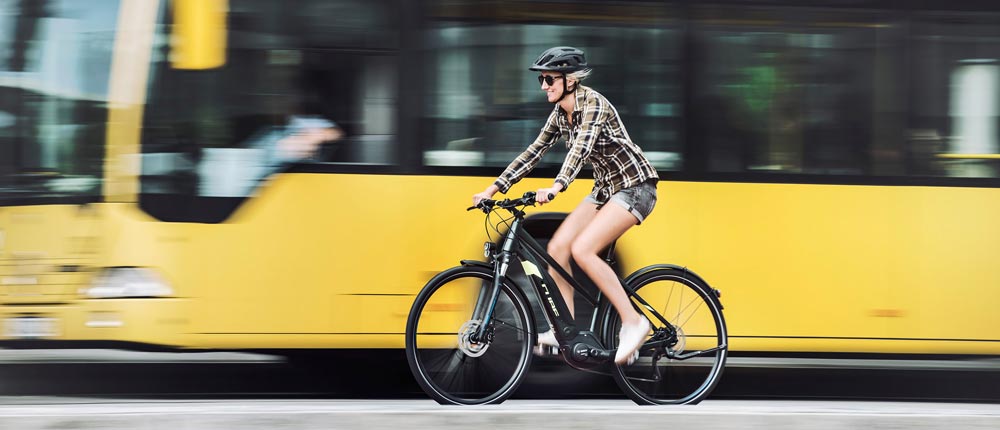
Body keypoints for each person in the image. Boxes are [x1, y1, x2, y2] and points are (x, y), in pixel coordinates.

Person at [472, 46, 659, 365]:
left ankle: (633, 321)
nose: (543, 85)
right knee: (558, 248)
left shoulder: (593, 105)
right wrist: (493, 188)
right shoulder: (560, 114)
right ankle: (566, 333)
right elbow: (534, 151)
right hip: (605, 190)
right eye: (541, 80)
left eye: (549, 79)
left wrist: (557, 186)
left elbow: (580, 151)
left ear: (569, 80)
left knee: (583, 249)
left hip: (635, 187)